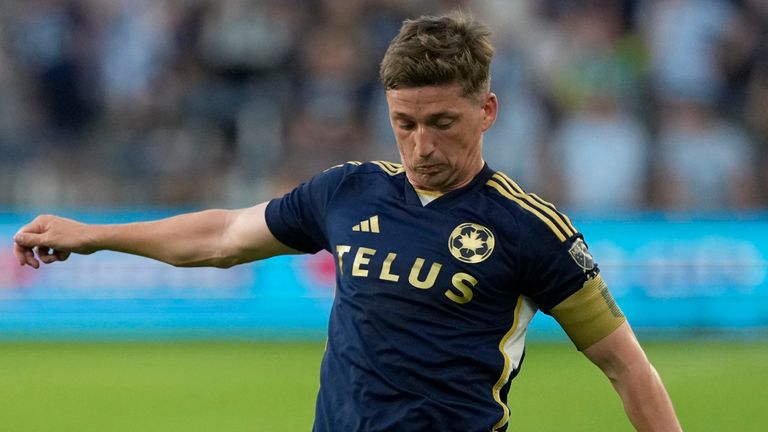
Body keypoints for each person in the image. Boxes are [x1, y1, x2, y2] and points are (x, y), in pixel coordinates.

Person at [12, 11, 681, 432]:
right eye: (405, 124)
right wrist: (96, 234)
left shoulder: (530, 228)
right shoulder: (348, 192)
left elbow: (626, 367)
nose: (421, 146)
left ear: (487, 112)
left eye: (442, 124)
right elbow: (221, 238)